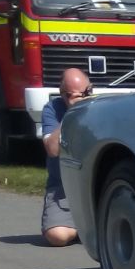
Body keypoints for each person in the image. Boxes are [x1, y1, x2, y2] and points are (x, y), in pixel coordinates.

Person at [40, 68, 91, 246]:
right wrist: (72, 114)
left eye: (85, 93)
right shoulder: (52, 110)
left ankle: (88, 227)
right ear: (62, 94)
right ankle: (83, 228)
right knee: (57, 236)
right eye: (70, 95)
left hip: (93, 185)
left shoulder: (99, 108)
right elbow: (52, 149)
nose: (80, 98)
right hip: (63, 187)